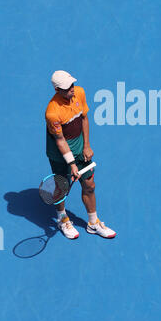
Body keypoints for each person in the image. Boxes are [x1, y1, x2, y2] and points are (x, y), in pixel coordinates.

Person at [45, 70, 116, 240]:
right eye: (66, 87)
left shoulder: (80, 93)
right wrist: (72, 164)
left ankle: (93, 223)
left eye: (72, 85)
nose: (71, 89)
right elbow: (60, 140)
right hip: (59, 154)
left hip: (79, 148)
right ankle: (62, 219)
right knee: (61, 187)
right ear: (56, 90)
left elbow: (84, 118)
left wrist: (87, 146)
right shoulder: (52, 112)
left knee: (90, 185)